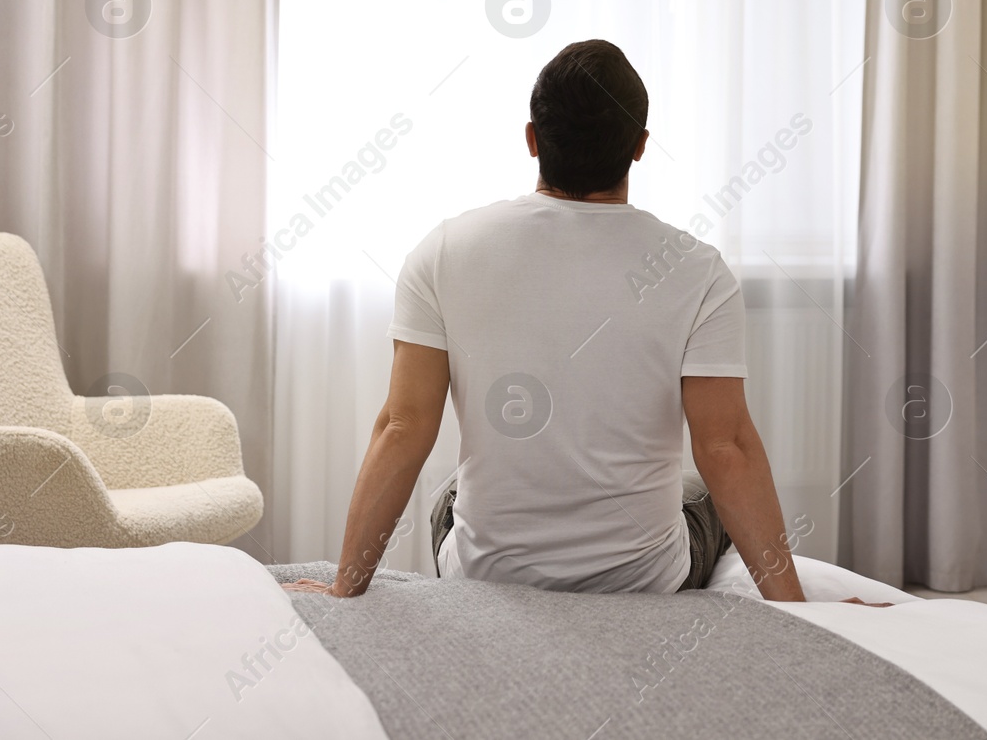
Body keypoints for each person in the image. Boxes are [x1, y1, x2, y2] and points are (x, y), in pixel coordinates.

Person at [286, 40, 807, 602]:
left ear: (532, 139)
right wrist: (798, 612)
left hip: (488, 574)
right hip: (645, 579)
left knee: (452, 492)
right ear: (640, 146)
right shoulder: (697, 270)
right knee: (700, 487)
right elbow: (725, 447)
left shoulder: (442, 251)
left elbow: (403, 428)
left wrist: (346, 586)